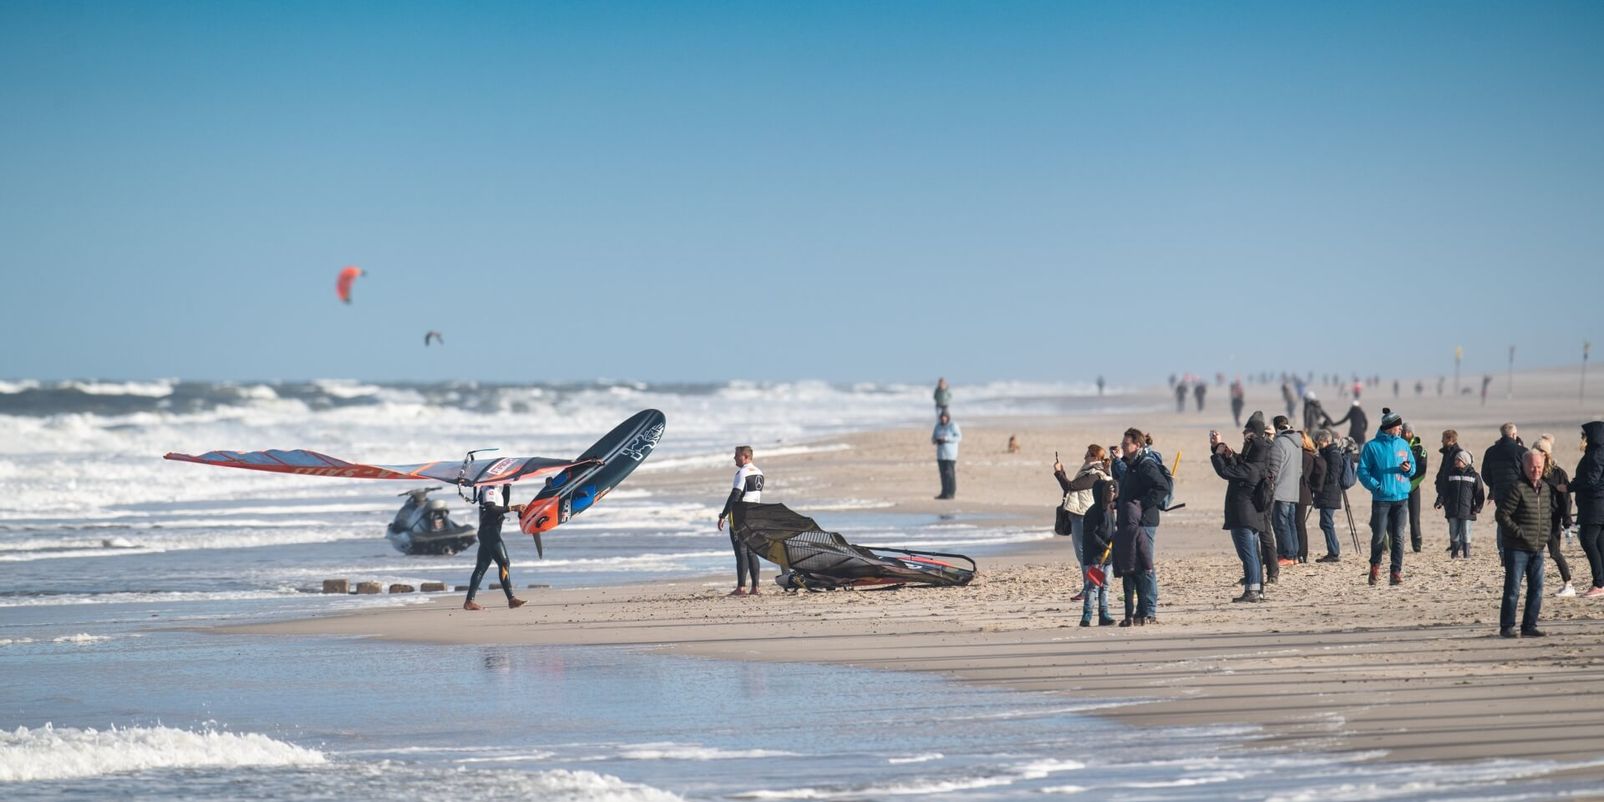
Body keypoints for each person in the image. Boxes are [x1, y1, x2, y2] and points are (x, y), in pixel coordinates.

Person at [1209, 413, 1271, 603]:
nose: (1244, 435)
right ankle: (1257, 590)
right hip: (1249, 516)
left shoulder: (1252, 468)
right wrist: (1220, 449)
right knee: (1252, 554)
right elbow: (1239, 462)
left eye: (1248, 433)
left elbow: (1226, 472)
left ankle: (1252, 590)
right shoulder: (1256, 464)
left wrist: (1218, 455)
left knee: (1249, 555)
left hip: (1243, 517)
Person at [1495, 452, 1552, 637]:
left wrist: (1545, 535)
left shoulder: (1545, 488)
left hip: (1537, 548)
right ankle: (1507, 627)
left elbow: (1547, 515)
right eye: (1532, 467)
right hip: (1517, 548)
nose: (1536, 471)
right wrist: (1519, 533)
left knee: (1536, 589)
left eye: (1539, 467)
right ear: (1525, 466)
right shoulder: (1517, 487)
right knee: (1512, 589)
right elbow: (1502, 515)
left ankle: (1529, 626)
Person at [1115, 428, 1168, 624]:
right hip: (1131, 522)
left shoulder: (1146, 465)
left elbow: (1163, 487)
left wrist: (1142, 504)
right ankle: (1141, 610)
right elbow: (1129, 491)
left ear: (1137, 445)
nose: (1122, 446)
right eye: (1123, 443)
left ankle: (1150, 611)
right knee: (1135, 567)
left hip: (1145, 522)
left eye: (1126, 444)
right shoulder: (1131, 464)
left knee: (1145, 566)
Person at [1357, 408, 1413, 586]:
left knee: (1399, 536)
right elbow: (1362, 471)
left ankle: (1396, 572)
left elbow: (1412, 466)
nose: (1400, 430)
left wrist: (1408, 469)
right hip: (1381, 499)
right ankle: (1375, 566)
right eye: (1398, 427)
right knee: (1379, 536)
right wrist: (1376, 486)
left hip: (1401, 497)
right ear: (1389, 427)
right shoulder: (1372, 446)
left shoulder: (1403, 444)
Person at [1055, 446, 1111, 600]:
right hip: (1080, 515)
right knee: (1084, 555)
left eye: (1087, 454)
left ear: (1094, 457)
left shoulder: (1095, 474)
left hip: (1083, 516)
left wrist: (1058, 473)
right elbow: (1072, 487)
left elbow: (1071, 486)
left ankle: (1091, 588)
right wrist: (1063, 473)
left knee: (1084, 554)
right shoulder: (1089, 470)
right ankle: (1091, 587)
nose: (1084, 456)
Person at [463, 484, 527, 611]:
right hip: (489, 532)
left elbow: (503, 503)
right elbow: (491, 508)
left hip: (489, 532)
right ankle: (511, 599)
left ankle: (469, 602)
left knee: (481, 567)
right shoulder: (489, 489)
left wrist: (507, 486)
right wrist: (513, 508)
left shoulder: (495, 489)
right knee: (504, 563)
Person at [716, 445, 766, 595]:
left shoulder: (742, 473)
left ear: (745, 456)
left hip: (741, 516)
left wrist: (723, 515)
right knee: (752, 551)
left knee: (741, 552)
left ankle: (741, 587)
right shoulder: (759, 472)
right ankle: (756, 587)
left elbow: (735, 495)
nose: (734, 458)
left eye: (736, 455)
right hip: (755, 516)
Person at [1533, 436, 1575, 597]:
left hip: (1552, 519)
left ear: (1546, 454)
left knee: (1555, 553)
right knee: (1533, 553)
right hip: (1534, 518)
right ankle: (1535, 586)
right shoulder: (1531, 471)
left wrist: (1566, 518)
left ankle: (1568, 584)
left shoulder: (1558, 473)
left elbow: (1565, 499)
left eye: (1539, 451)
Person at [1483, 423, 1528, 557]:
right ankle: (1518, 549)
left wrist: (1494, 486)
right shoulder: (1522, 451)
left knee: (1503, 520)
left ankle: (1503, 552)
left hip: (1500, 492)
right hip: (1519, 492)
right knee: (1519, 519)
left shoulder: (1491, 451)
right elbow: (1528, 473)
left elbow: (1485, 473)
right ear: (1514, 435)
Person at [1078, 478, 1118, 626]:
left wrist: (1115, 539)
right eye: (1109, 490)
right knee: (1092, 586)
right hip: (1094, 556)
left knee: (1105, 585)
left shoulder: (1110, 510)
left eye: (1113, 490)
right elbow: (1090, 534)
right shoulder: (1092, 512)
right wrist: (1104, 546)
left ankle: (1104, 615)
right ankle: (1086, 616)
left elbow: (1112, 530)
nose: (1112, 493)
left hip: (1108, 556)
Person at [1572, 422, 1604, 598]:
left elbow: (1591, 480)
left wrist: (1569, 487)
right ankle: (1601, 583)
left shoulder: (1596, 454)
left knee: (1587, 540)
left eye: (1584, 436)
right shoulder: (1597, 452)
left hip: (1594, 505)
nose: (1581, 439)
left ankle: (1599, 583)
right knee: (1599, 543)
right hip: (1597, 505)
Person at [1434, 448, 1484, 558]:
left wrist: (1478, 507)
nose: (1456, 462)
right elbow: (1444, 490)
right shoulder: (1451, 475)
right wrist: (1439, 502)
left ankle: (1467, 553)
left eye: (1458, 460)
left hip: (1468, 510)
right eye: (1455, 460)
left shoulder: (1474, 476)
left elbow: (1479, 494)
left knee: (1466, 531)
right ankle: (1455, 552)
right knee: (1453, 531)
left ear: (1465, 461)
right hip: (1453, 509)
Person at [1267, 416, 1303, 567]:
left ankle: (1287, 555)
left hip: (1281, 490)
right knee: (1290, 523)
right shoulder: (1297, 443)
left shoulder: (1279, 443)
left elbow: (1275, 468)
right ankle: (1293, 555)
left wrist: (1270, 484)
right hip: (1293, 490)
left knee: (1281, 524)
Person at [1313, 429, 1346, 562]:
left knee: (1326, 522)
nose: (1318, 445)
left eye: (1319, 443)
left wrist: (1318, 478)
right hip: (1326, 493)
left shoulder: (1333, 454)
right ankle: (1333, 551)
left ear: (1326, 441)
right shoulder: (1326, 453)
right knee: (1325, 522)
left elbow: (1333, 476)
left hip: (1330, 493)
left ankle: (1334, 552)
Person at [1296, 431, 1325, 564]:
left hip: (1301, 492)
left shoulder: (1304, 455)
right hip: (1305, 492)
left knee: (1298, 522)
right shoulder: (1310, 455)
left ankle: (1302, 553)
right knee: (1299, 522)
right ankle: (1301, 553)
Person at [1402, 423, 1429, 553]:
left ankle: (1417, 544)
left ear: (1412, 433)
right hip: (1399, 486)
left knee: (1414, 518)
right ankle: (1390, 543)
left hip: (1413, 487)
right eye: (1404, 432)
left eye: (1408, 432)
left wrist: (1411, 485)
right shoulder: (1397, 447)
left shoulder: (1420, 450)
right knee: (1394, 517)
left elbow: (1422, 471)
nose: (1406, 434)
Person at [932, 412, 961, 499]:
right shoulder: (937, 426)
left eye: (945, 417)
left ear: (948, 417)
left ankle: (951, 493)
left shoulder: (953, 426)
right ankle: (944, 493)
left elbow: (959, 437)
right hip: (941, 455)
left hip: (950, 454)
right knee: (942, 474)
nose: (943, 419)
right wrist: (937, 440)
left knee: (949, 474)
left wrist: (946, 439)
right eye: (942, 417)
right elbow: (933, 438)